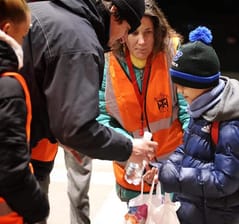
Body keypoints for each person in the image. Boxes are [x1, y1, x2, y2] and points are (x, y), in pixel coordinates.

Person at [20, 0, 158, 224]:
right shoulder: (79, 42)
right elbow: (77, 128)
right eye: (127, 29)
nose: (124, 39)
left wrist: (59, 132)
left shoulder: (48, 11)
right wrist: (129, 147)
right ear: (115, 13)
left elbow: (38, 88)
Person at [158, 26, 239, 224]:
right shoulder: (202, 108)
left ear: (202, 83)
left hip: (216, 216)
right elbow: (188, 149)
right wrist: (163, 167)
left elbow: (225, 179)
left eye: (183, 84)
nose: (179, 91)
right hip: (194, 210)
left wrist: (175, 177)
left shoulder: (231, 120)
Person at [97, 0, 190, 203]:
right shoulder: (107, 61)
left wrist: (181, 159)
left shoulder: (172, 55)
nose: (141, 41)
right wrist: (130, 146)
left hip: (173, 166)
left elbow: (188, 111)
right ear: (123, 33)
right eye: (135, 33)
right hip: (132, 168)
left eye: (147, 32)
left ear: (157, 32)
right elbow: (102, 117)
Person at [0, 0, 49, 223]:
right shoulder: (8, 86)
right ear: (7, 29)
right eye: (23, 36)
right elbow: (12, 168)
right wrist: (38, 205)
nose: (23, 43)